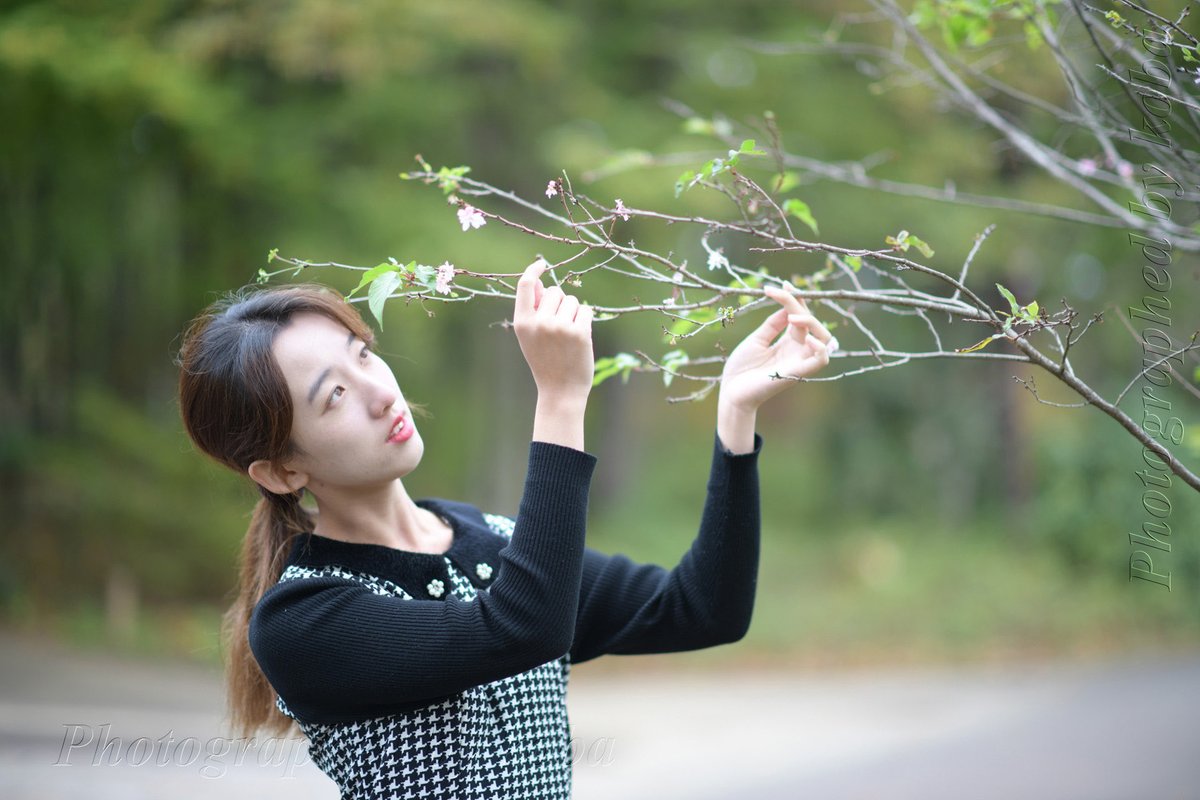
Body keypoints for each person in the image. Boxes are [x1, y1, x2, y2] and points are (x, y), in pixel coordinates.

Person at [174, 260, 833, 799]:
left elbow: (704, 610)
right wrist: (561, 398)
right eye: (334, 395)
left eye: (364, 356)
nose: (381, 393)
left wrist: (735, 417)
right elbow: (521, 626)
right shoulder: (302, 618)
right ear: (283, 471)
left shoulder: (489, 539)